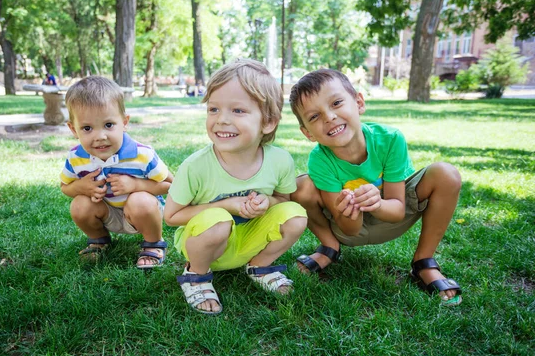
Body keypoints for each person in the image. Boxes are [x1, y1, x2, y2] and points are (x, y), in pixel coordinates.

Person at [290, 69, 463, 306]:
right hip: (349, 228)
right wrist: (350, 209)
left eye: (337, 103)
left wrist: (377, 203)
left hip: (391, 213)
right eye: (314, 117)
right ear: (307, 133)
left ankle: (423, 262)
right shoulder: (320, 159)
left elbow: (398, 210)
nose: (329, 117)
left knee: (446, 174)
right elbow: (349, 230)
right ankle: (329, 247)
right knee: (301, 186)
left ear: (359, 102)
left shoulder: (390, 139)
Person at [164, 59, 308, 314]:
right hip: (205, 245)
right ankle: (196, 275)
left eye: (238, 111)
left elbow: (283, 202)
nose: (221, 120)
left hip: (249, 241)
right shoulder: (196, 166)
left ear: (268, 122)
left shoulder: (279, 160)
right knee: (219, 219)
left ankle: (259, 265)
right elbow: (171, 216)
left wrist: (268, 202)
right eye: (214, 109)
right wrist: (225, 206)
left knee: (295, 215)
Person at [60, 76, 173, 268]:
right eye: (87, 128)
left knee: (140, 200)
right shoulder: (76, 157)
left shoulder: (141, 154)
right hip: (107, 212)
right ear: (73, 129)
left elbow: (172, 185)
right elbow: (65, 187)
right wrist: (81, 187)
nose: (100, 136)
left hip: (144, 213)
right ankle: (99, 240)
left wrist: (136, 185)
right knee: (79, 205)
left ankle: (153, 243)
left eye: (109, 125)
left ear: (124, 122)